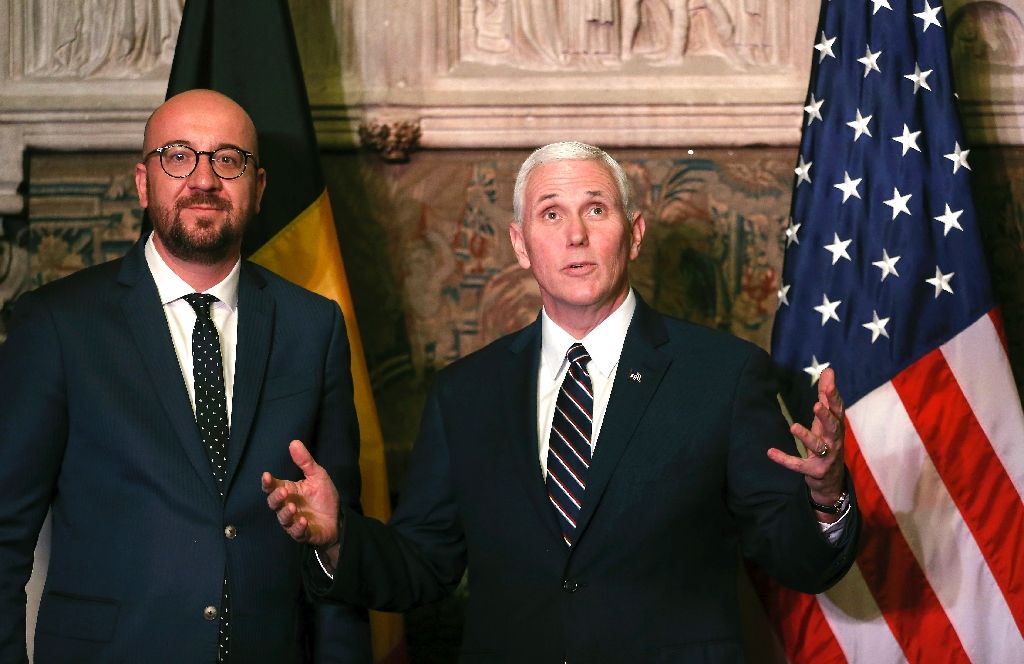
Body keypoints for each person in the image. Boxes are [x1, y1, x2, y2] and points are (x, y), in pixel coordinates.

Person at [265, 141, 859, 662]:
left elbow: (797, 561)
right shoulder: (465, 392)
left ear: (635, 232)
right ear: (521, 245)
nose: (575, 234)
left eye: (595, 210)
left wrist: (826, 496)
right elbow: (425, 565)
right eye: (552, 214)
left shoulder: (724, 375)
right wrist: (339, 536)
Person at [0, 89, 369, 663]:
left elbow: (336, 537)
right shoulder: (57, 323)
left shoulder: (313, 325)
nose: (203, 180)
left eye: (227, 159)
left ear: (259, 187)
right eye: (178, 156)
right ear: (145, 182)